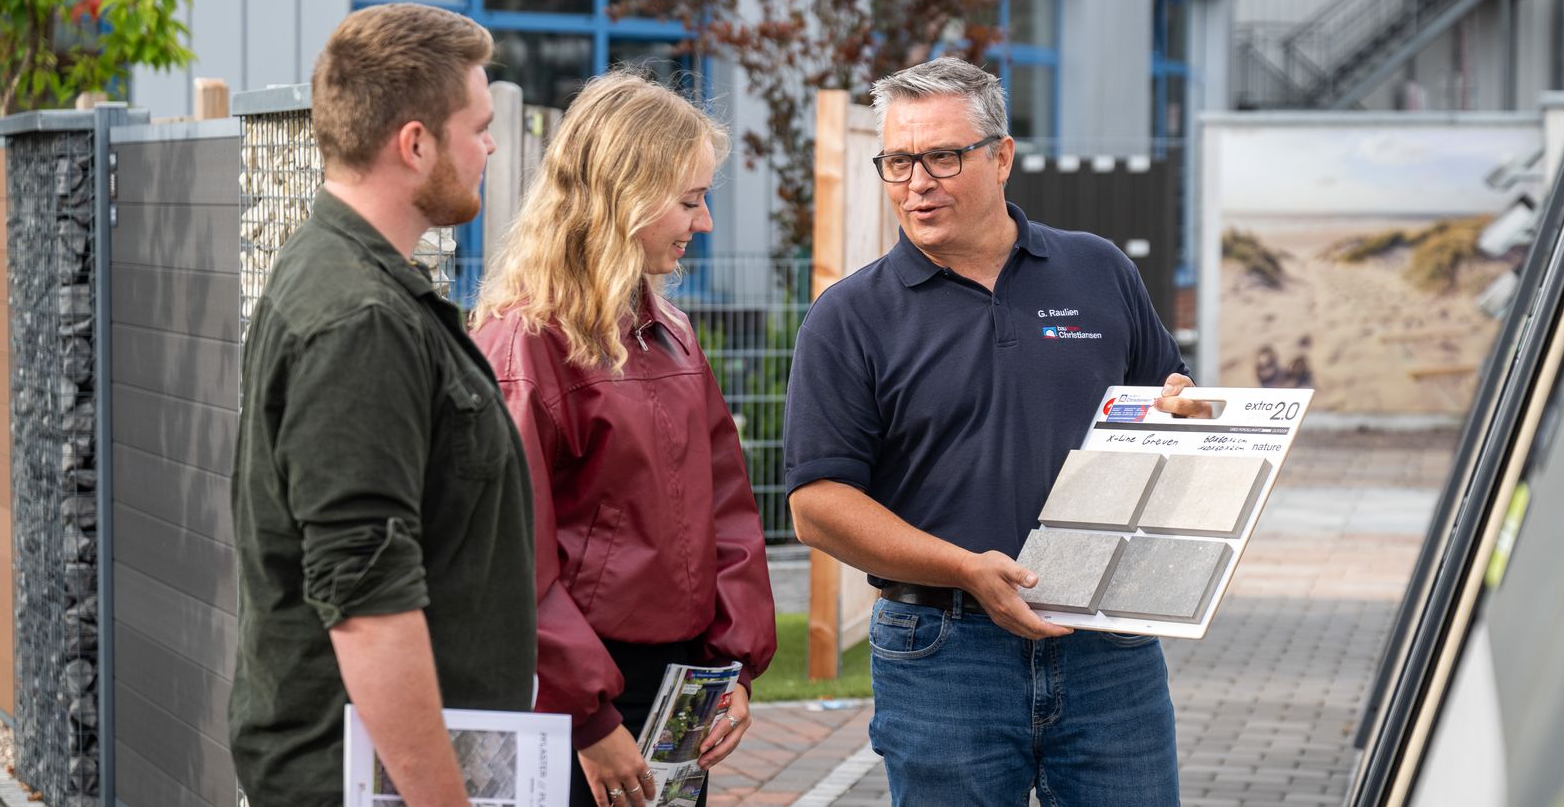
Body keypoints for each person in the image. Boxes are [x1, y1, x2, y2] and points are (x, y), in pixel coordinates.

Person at [783, 56, 1206, 806]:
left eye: (942, 155)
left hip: (1107, 644)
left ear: (1002, 156)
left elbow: (1162, 411)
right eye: (898, 160)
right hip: (943, 652)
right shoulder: (848, 317)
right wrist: (965, 567)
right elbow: (817, 505)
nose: (917, 182)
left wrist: (1186, 412)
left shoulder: (1098, 270)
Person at [230, 3, 536, 805]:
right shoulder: (359, 319)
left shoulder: (352, 281)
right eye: (478, 124)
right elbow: (366, 601)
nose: (491, 145)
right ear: (415, 143)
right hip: (359, 780)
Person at [470, 71, 776, 807]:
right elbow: (511, 559)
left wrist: (729, 669)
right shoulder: (524, 345)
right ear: (621, 196)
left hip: (671, 694)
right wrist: (587, 715)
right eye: (689, 200)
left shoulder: (670, 334)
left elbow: (727, 511)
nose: (702, 223)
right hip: (575, 703)